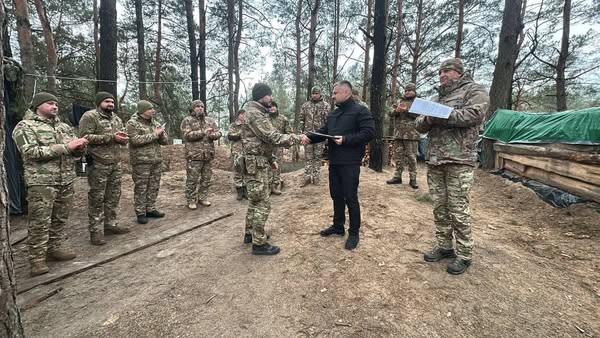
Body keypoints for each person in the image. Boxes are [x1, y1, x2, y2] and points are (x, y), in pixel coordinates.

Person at [415, 58, 489, 275]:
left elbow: (473, 115)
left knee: (458, 209)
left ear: (459, 72)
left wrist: (441, 115)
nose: (442, 75)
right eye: (440, 72)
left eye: (446, 70)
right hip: (436, 159)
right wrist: (427, 119)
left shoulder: (474, 91)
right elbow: (418, 124)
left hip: (459, 160)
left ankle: (465, 254)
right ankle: (445, 246)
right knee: (440, 206)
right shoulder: (436, 97)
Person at [12, 92, 89, 276]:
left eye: (56, 104)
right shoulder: (24, 126)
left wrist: (80, 148)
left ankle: (54, 247)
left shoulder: (63, 127)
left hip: (66, 180)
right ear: (37, 106)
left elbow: (74, 152)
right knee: (40, 221)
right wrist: (66, 148)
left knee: (60, 217)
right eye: (49, 103)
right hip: (41, 182)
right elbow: (29, 152)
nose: (54, 106)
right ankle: (37, 259)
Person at [301, 80, 374, 250]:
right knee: (336, 195)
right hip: (334, 161)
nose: (332, 96)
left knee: (350, 197)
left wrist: (347, 139)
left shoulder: (360, 110)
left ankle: (354, 232)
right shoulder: (333, 114)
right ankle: (338, 226)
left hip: (350, 161)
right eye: (333, 93)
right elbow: (324, 131)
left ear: (346, 93)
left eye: (335, 93)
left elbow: (369, 132)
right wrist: (309, 137)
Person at [242, 83, 302, 255]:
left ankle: (250, 233)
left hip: (259, 161)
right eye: (269, 95)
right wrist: (297, 138)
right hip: (256, 163)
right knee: (263, 202)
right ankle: (259, 244)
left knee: (255, 200)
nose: (271, 98)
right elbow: (271, 136)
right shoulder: (255, 114)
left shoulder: (257, 112)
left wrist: (271, 159)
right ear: (262, 96)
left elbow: (262, 141)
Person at [79, 92, 130, 246]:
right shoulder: (90, 117)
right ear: (99, 102)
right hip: (98, 163)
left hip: (115, 163)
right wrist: (111, 137)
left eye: (112, 102)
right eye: (107, 101)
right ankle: (96, 232)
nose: (110, 104)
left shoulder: (116, 118)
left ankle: (111, 224)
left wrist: (122, 139)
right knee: (97, 198)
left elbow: (120, 136)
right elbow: (85, 137)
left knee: (113, 195)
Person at [126, 100, 169, 224]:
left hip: (156, 160)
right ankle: (140, 212)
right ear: (143, 110)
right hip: (141, 162)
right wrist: (154, 134)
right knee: (141, 187)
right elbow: (135, 140)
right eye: (150, 109)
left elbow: (165, 142)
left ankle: (150, 208)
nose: (153, 111)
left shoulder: (155, 122)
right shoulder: (132, 123)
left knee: (154, 186)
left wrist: (161, 134)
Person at [180, 100, 222, 210]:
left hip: (207, 155)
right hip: (194, 155)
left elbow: (219, 132)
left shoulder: (209, 120)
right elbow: (187, 135)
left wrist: (213, 134)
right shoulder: (187, 120)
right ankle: (191, 199)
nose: (200, 108)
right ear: (193, 108)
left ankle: (203, 197)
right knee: (192, 179)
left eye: (202, 106)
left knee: (206, 178)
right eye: (197, 106)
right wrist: (203, 132)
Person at [387, 83, 420, 189]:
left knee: (411, 157)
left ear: (414, 91)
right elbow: (390, 112)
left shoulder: (418, 102)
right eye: (405, 90)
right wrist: (397, 110)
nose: (407, 92)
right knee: (398, 156)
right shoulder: (399, 101)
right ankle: (397, 176)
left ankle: (413, 179)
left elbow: (420, 114)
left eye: (409, 90)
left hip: (411, 134)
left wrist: (406, 110)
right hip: (399, 134)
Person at [298, 86, 329, 186]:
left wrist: (326, 136)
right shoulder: (305, 105)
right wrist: (300, 133)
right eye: (313, 93)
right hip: (307, 136)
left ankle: (316, 177)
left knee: (317, 156)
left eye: (317, 93)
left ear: (320, 94)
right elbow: (301, 119)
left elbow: (328, 121)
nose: (315, 95)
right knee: (308, 157)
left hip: (320, 136)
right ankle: (307, 177)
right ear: (311, 94)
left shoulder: (325, 105)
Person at [267, 101, 293, 195]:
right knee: (267, 166)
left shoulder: (283, 119)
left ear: (277, 107)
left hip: (278, 147)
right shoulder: (265, 119)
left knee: (277, 166)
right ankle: (268, 187)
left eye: (273, 106)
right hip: (267, 146)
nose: (272, 108)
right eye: (270, 107)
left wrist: (287, 143)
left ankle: (275, 185)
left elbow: (289, 132)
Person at [228, 109, 246, 200]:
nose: (243, 116)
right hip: (237, 151)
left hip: (247, 151)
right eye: (242, 114)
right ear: (238, 115)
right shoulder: (233, 125)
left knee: (247, 171)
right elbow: (231, 136)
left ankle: (245, 191)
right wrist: (241, 133)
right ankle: (239, 191)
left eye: (245, 115)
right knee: (238, 170)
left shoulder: (248, 125)